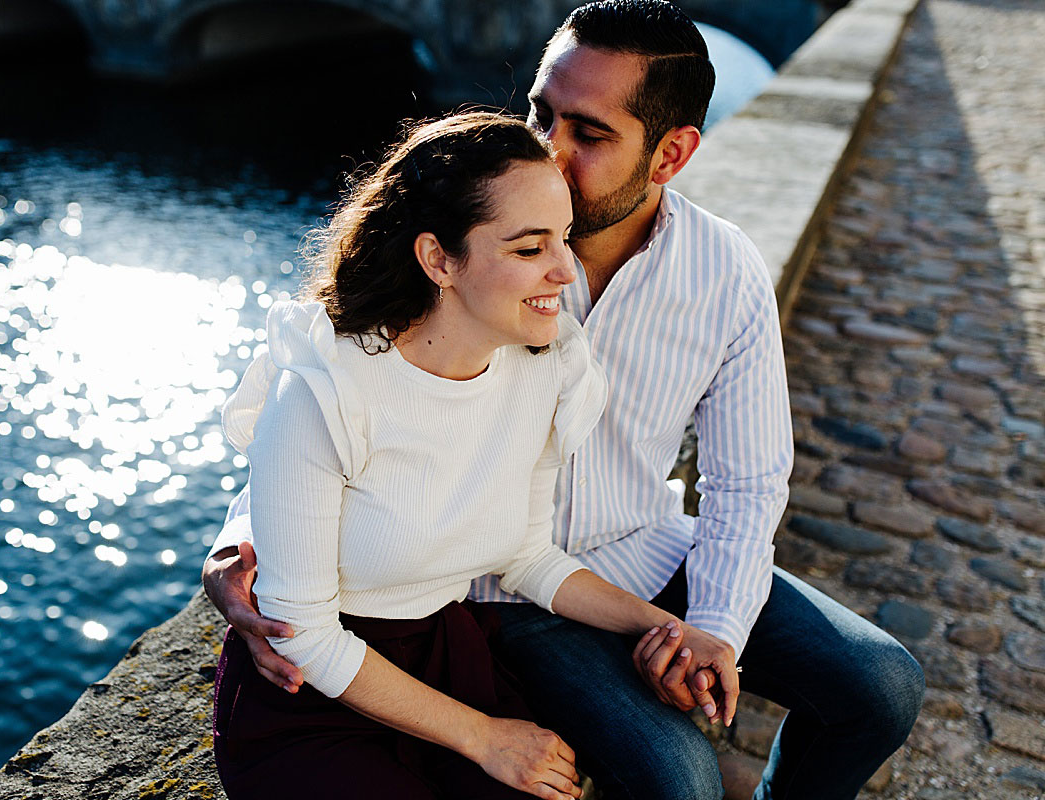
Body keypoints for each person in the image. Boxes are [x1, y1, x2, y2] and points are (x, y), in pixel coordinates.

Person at [204, 3, 925, 799]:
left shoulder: (721, 271)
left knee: (883, 685)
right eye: (540, 113)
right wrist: (244, 538)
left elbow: (748, 483)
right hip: (498, 594)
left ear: (671, 154)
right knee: (681, 777)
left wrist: (709, 630)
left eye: (589, 133)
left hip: (634, 554)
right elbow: (336, 388)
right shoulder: (479, 256)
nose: (547, 149)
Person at [211, 111, 742, 800]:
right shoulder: (326, 390)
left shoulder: (545, 365)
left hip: (446, 660)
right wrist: (485, 738)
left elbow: (528, 557)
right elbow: (303, 632)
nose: (566, 268)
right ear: (438, 259)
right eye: (529, 249)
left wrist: (668, 627)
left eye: (563, 238)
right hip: (313, 701)